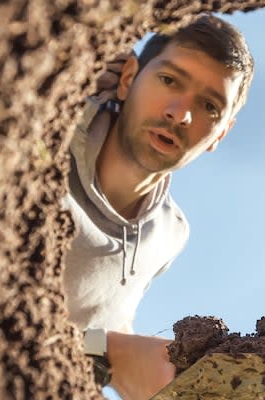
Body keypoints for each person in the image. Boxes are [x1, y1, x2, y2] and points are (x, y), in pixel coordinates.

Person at [61, 14, 254, 400]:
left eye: (210, 106)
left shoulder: (170, 234)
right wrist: (111, 356)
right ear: (130, 77)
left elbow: (105, 324)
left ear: (222, 132)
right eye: (169, 80)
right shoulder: (45, 148)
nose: (180, 114)